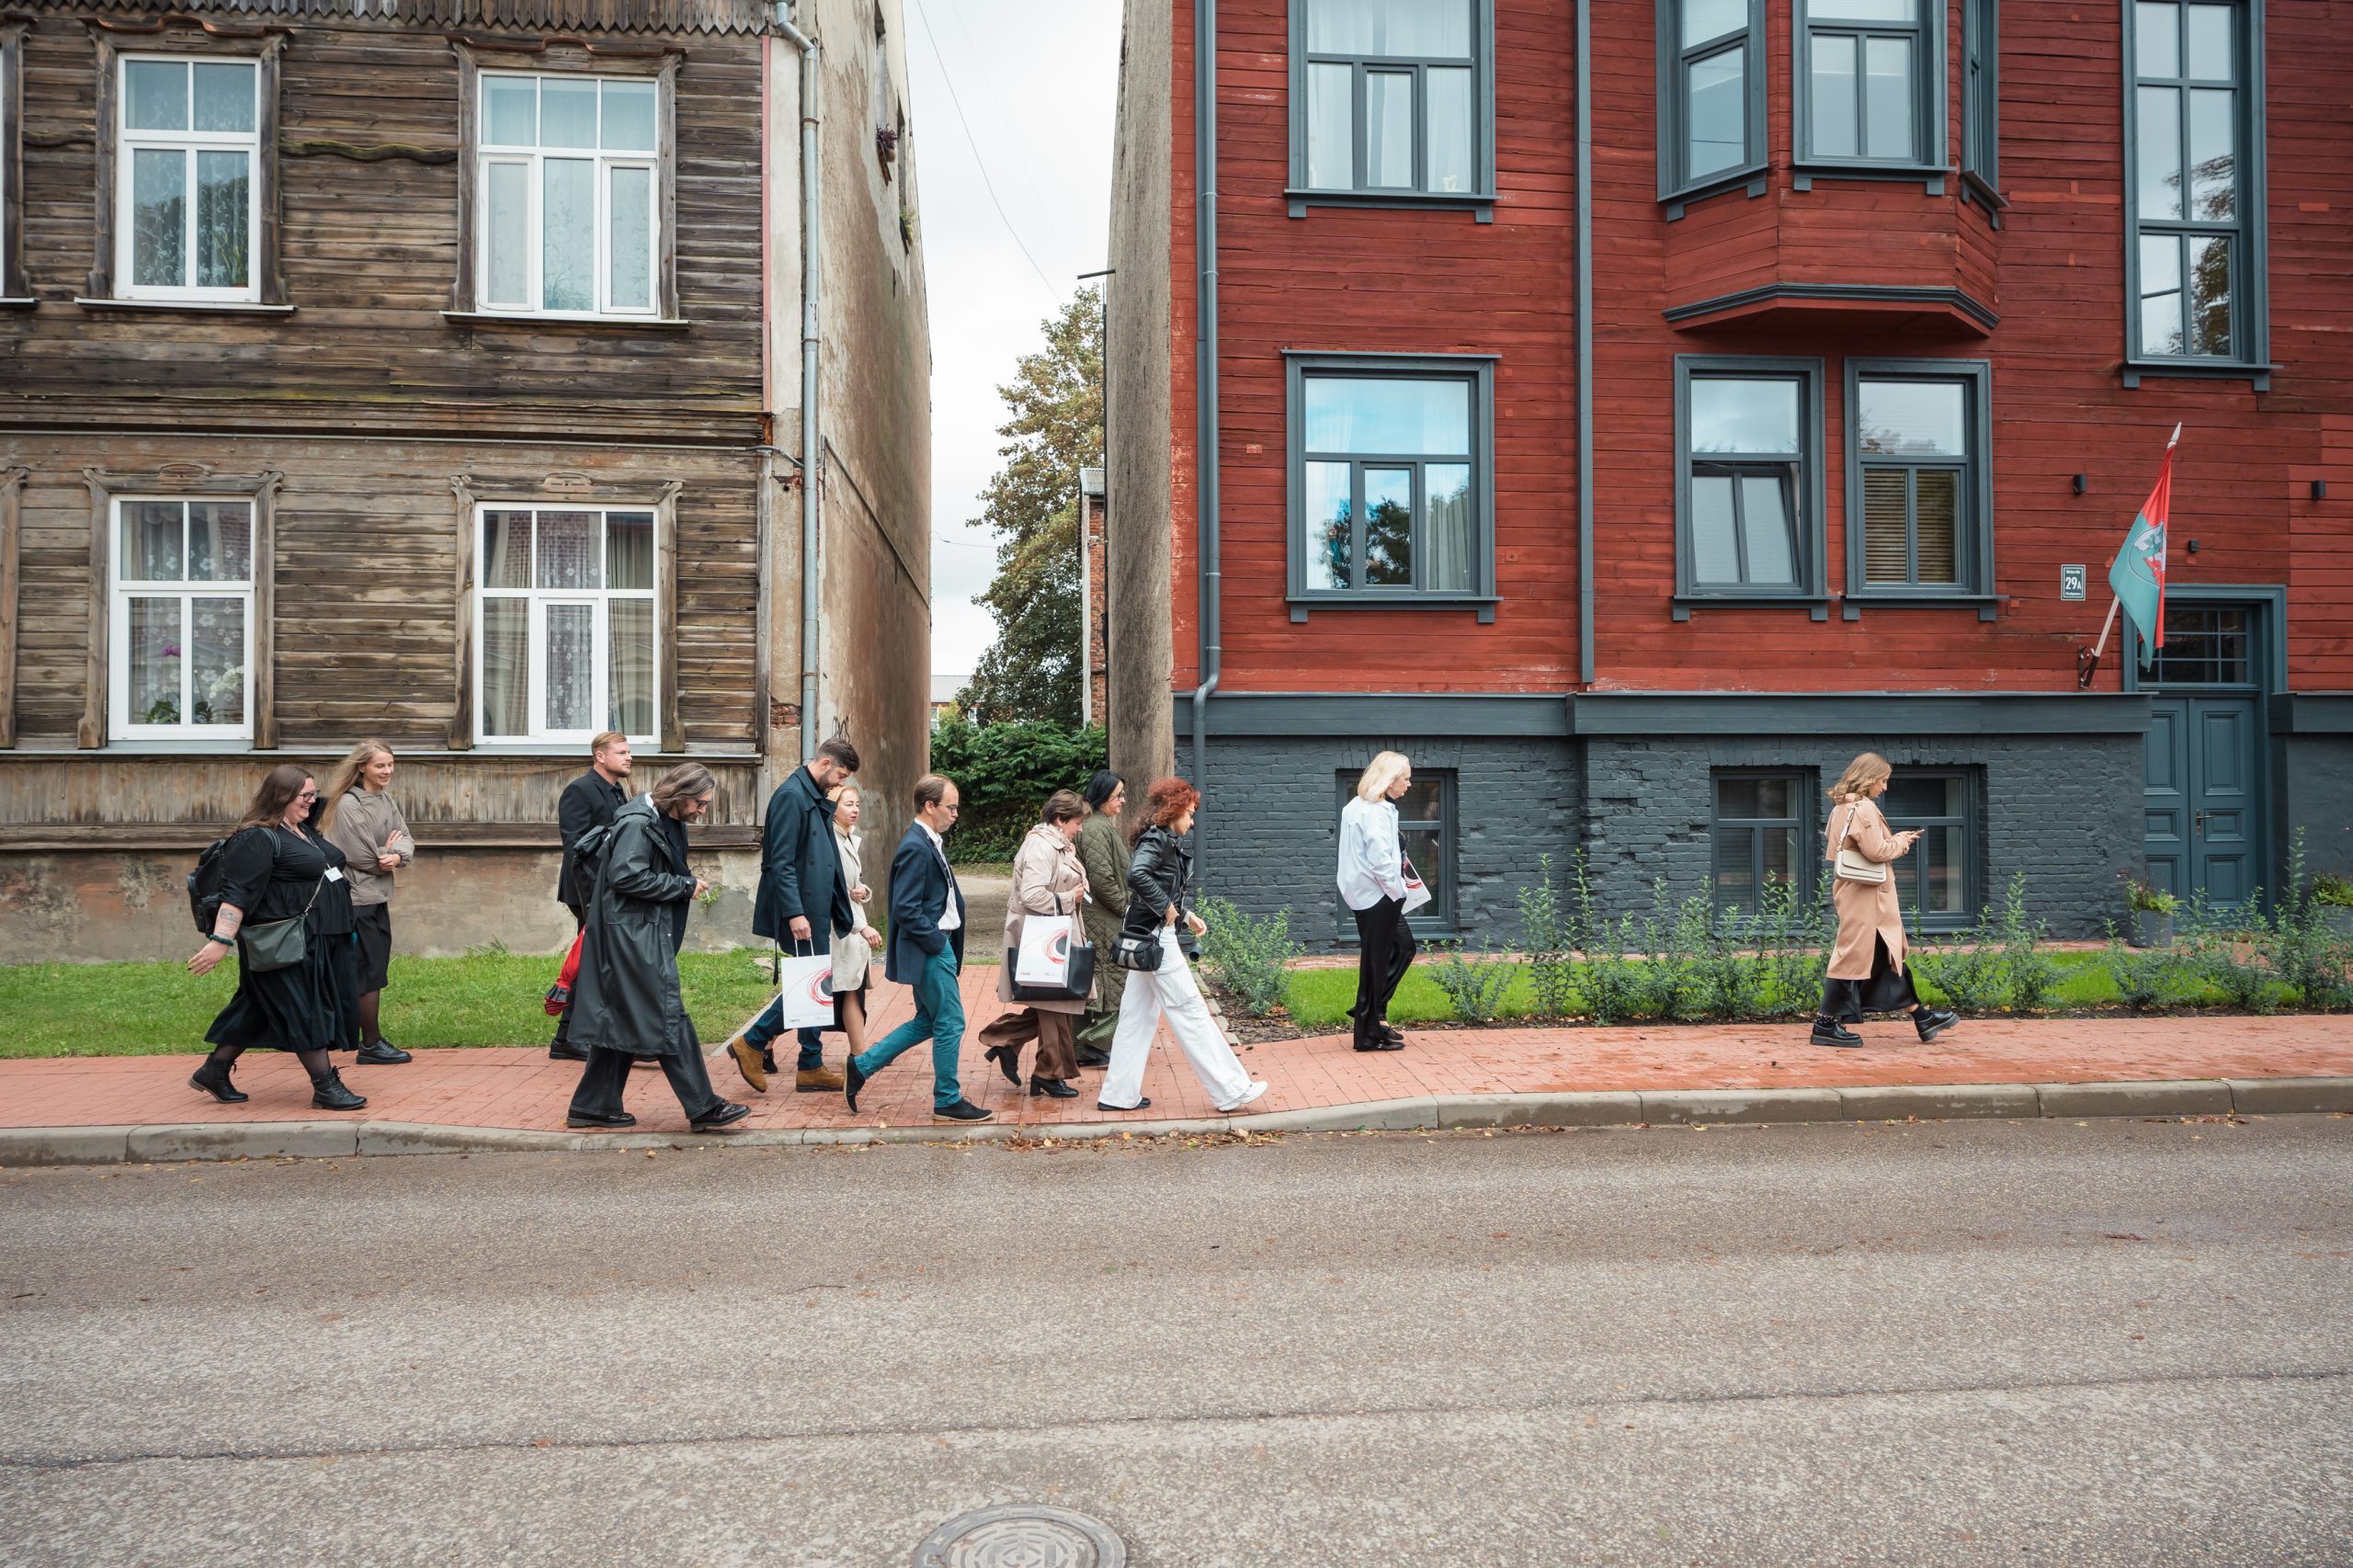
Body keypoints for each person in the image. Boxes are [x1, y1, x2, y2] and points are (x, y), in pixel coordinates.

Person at [563, 763, 751, 1132]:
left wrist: (683, 882)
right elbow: (625, 876)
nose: (703, 810)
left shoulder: (665, 819)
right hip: (632, 938)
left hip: (635, 933)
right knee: (668, 1016)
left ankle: (592, 1106)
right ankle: (704, 1106)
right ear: (679, 795)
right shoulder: (638, 823)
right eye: (700, 803)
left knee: (624, 1017)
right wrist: (683, 887)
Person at [186, 766, 368, 1112]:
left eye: (314, 794)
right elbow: (237, 893)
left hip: (320, 937)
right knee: (304, 1008)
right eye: (305, 796)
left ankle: (214, 1071)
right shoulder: (257, 838)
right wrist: (220, 941)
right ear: (281, 796)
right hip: (284, 940)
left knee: (258, 1007)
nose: (311, 801)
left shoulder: (301, 829)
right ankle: (325, 1086)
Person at [1098, 778, 1268, 1116]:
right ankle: (1231, 1090)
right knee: (1190, 1011)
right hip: (1156, 939)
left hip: (1146, 935)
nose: (1192, 821)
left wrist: (1185, 915)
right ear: (1172, 810)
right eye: (1190, 813)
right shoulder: (1157, 840)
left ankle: (1118, 1094)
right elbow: (1136, 875)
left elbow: (1155, 884)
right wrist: (1167, 907)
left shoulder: (1160, 839)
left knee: (1136, 1018)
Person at [843, 774, 992, 1123]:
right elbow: (906, 908)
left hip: (935, 946)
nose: (955, 814)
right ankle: (947, 1100)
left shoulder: (928, 840)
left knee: (927, 1021)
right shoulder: (916, 846)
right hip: (931, 949)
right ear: (930, 806)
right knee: (951, 1023)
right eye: (951, 807)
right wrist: (938, 942)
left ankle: (862, 1066)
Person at [730, 736, 859, 1094]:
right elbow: (781, 862)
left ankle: (810, 1064)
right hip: (803, 909)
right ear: (824, 764)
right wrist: (794, 913)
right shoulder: (791, 796)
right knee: (812, 984)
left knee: (816, 982)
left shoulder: (812, 795)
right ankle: (752, 1043)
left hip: (817, 906)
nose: (840, 784)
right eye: (840, 775)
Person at [1814, 753, 1961, 1049]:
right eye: (1882, 781)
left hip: (1857, 893)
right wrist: (1901, 841)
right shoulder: (1864, 808)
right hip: (1867, 897)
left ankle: (1921, 1016)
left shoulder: (1841, 808)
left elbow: (1840, 848)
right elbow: (1877, 852)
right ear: (1869, 778)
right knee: (1852, 956)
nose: (1884, 787)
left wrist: (1892, 840)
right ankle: (1825, 1024)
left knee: (1883, 954)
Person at [980, 790, 1095, 1099]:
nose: (1080, 828)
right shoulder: (1042, 846)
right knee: (1057, 1004)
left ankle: (1011, 1045)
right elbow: (1031, 894)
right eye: (1077, 822)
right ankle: (1046, 1072)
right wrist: (1069, 898)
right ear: (1060, 820)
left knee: (1057, 1003)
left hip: (1052, 934)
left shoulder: (1056, 844)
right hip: (1045, 936)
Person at [318, 739, 416, 1065]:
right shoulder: (348, 804)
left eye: (390, 764)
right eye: (380, 765)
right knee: (367, 972)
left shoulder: (385, 798)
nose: (387, 771)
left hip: (377, 896)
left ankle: (350, 1038)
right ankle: (370, 1044)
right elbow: (359, 856)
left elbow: (406, 837)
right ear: (362, 767)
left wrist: (396, 855)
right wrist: (388, 854)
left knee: (373, 969)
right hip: (356, 899)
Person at [551, 733, 631, 1062]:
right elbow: (577, 848)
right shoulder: (580, 790)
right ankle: (569, 1037)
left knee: (597, 959)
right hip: (588, 889)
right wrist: (596, 893)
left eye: (628, 752)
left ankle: (573, 1036)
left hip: (610, 888)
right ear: (600, 756)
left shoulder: (617, 791)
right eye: (621, 752)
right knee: (591, 959)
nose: (629, 757)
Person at [1337, 751, 1416, 1052]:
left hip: (1365, 894)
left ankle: (1371, 1021)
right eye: (1405, 778)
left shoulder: (1356, 806)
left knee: (1391, 953)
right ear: (1389, 779)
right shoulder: (1376, 811)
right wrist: (1399, 891)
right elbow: (1381, 860)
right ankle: (1368, 1035)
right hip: (1379, 895)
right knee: (1376, 962)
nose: (1409, 784)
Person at [813, 780, 886, 1064]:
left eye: (857, 805)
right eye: (848, 805)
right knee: (818, 992)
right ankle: (760, 1041)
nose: (855, 810)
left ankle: (859, 1052)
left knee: (850, 989)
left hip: (850, 926)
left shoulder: (848, 837)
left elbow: (852, 885)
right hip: (839, 928)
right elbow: (835, 892)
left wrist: (863, 892)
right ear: (833, 808)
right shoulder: (830, 841)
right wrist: (861, 927)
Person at [1073, 770, 1131, 1069]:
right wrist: (1125, 908)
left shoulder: (1097, 824)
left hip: (1098, 915)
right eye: (1118, 795)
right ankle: (1093, 1042)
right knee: (1114, 981)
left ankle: (1079, 1048)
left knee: (1094, 981)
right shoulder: (1096, 828)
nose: (1122, 801)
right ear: (1103, 796)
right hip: (1104, 917)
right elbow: (1102, 878)